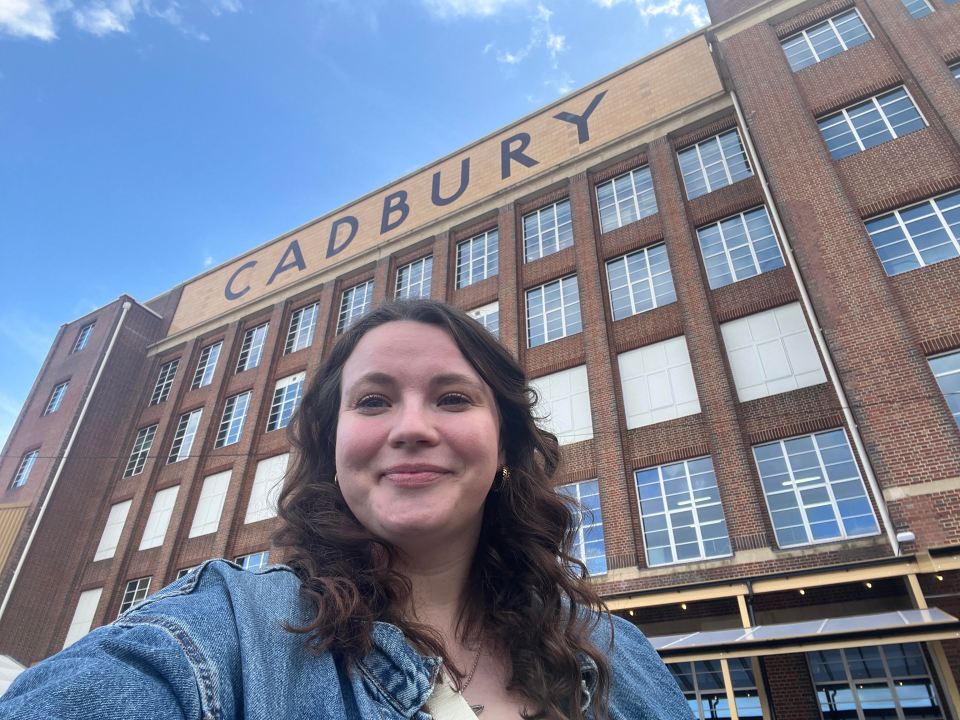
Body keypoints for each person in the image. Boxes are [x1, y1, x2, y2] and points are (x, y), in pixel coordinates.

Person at [0, 299, 692, 719]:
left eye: (453, 398)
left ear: (505, 445)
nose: (411, 426)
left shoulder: (615, 652)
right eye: (372, 400)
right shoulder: (226, 635)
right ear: (333, 447)